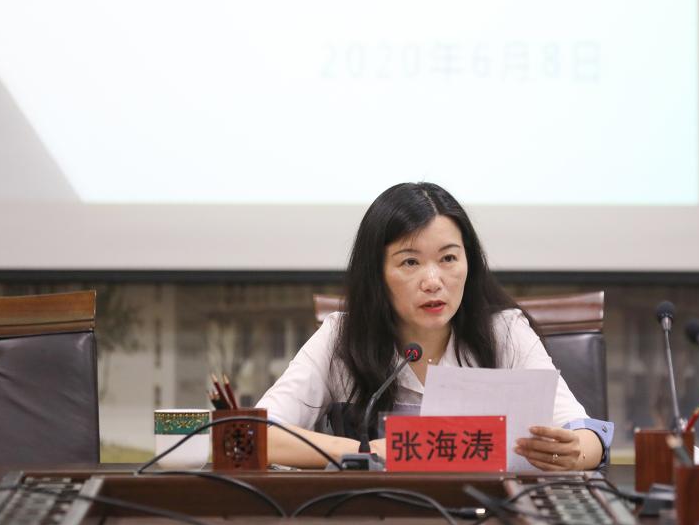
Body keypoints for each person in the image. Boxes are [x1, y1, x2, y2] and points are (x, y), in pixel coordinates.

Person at [256, 182, 613, 470]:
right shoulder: (341, 338)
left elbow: (586, 434)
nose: (432, 281)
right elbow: (255, 435)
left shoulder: (504, 333)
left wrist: (576, 451)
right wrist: (368, 453)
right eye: (410, 262)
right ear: (376, 274)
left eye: (448, 258)